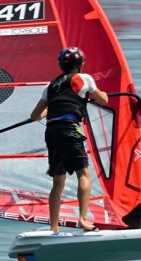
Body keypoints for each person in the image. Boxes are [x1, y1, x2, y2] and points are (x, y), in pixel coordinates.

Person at [30, 47, 109, 232]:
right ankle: (82, 219)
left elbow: (35, 116)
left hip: (52, 132)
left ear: (61, 65)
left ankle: (54, 227)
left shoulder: (50, 87)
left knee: (58, 181)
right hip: (69, 130)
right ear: (81, 64)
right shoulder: (84, 78)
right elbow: (104, 100)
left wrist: (55, 108)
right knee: (83, 174)